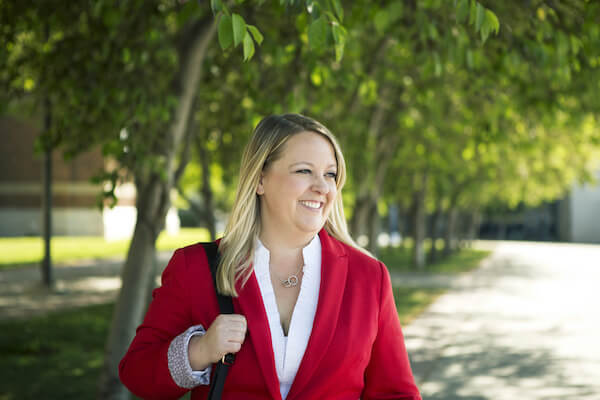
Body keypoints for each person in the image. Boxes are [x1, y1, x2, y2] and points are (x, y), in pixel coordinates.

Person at [119, 114, 422, 400]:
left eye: (330, 174)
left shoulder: (369, 278)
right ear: (260, 180)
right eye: (304, 171)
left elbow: (397, 393)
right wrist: (199, 351)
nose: (322, 187)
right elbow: (138, 373)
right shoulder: (195, 267)